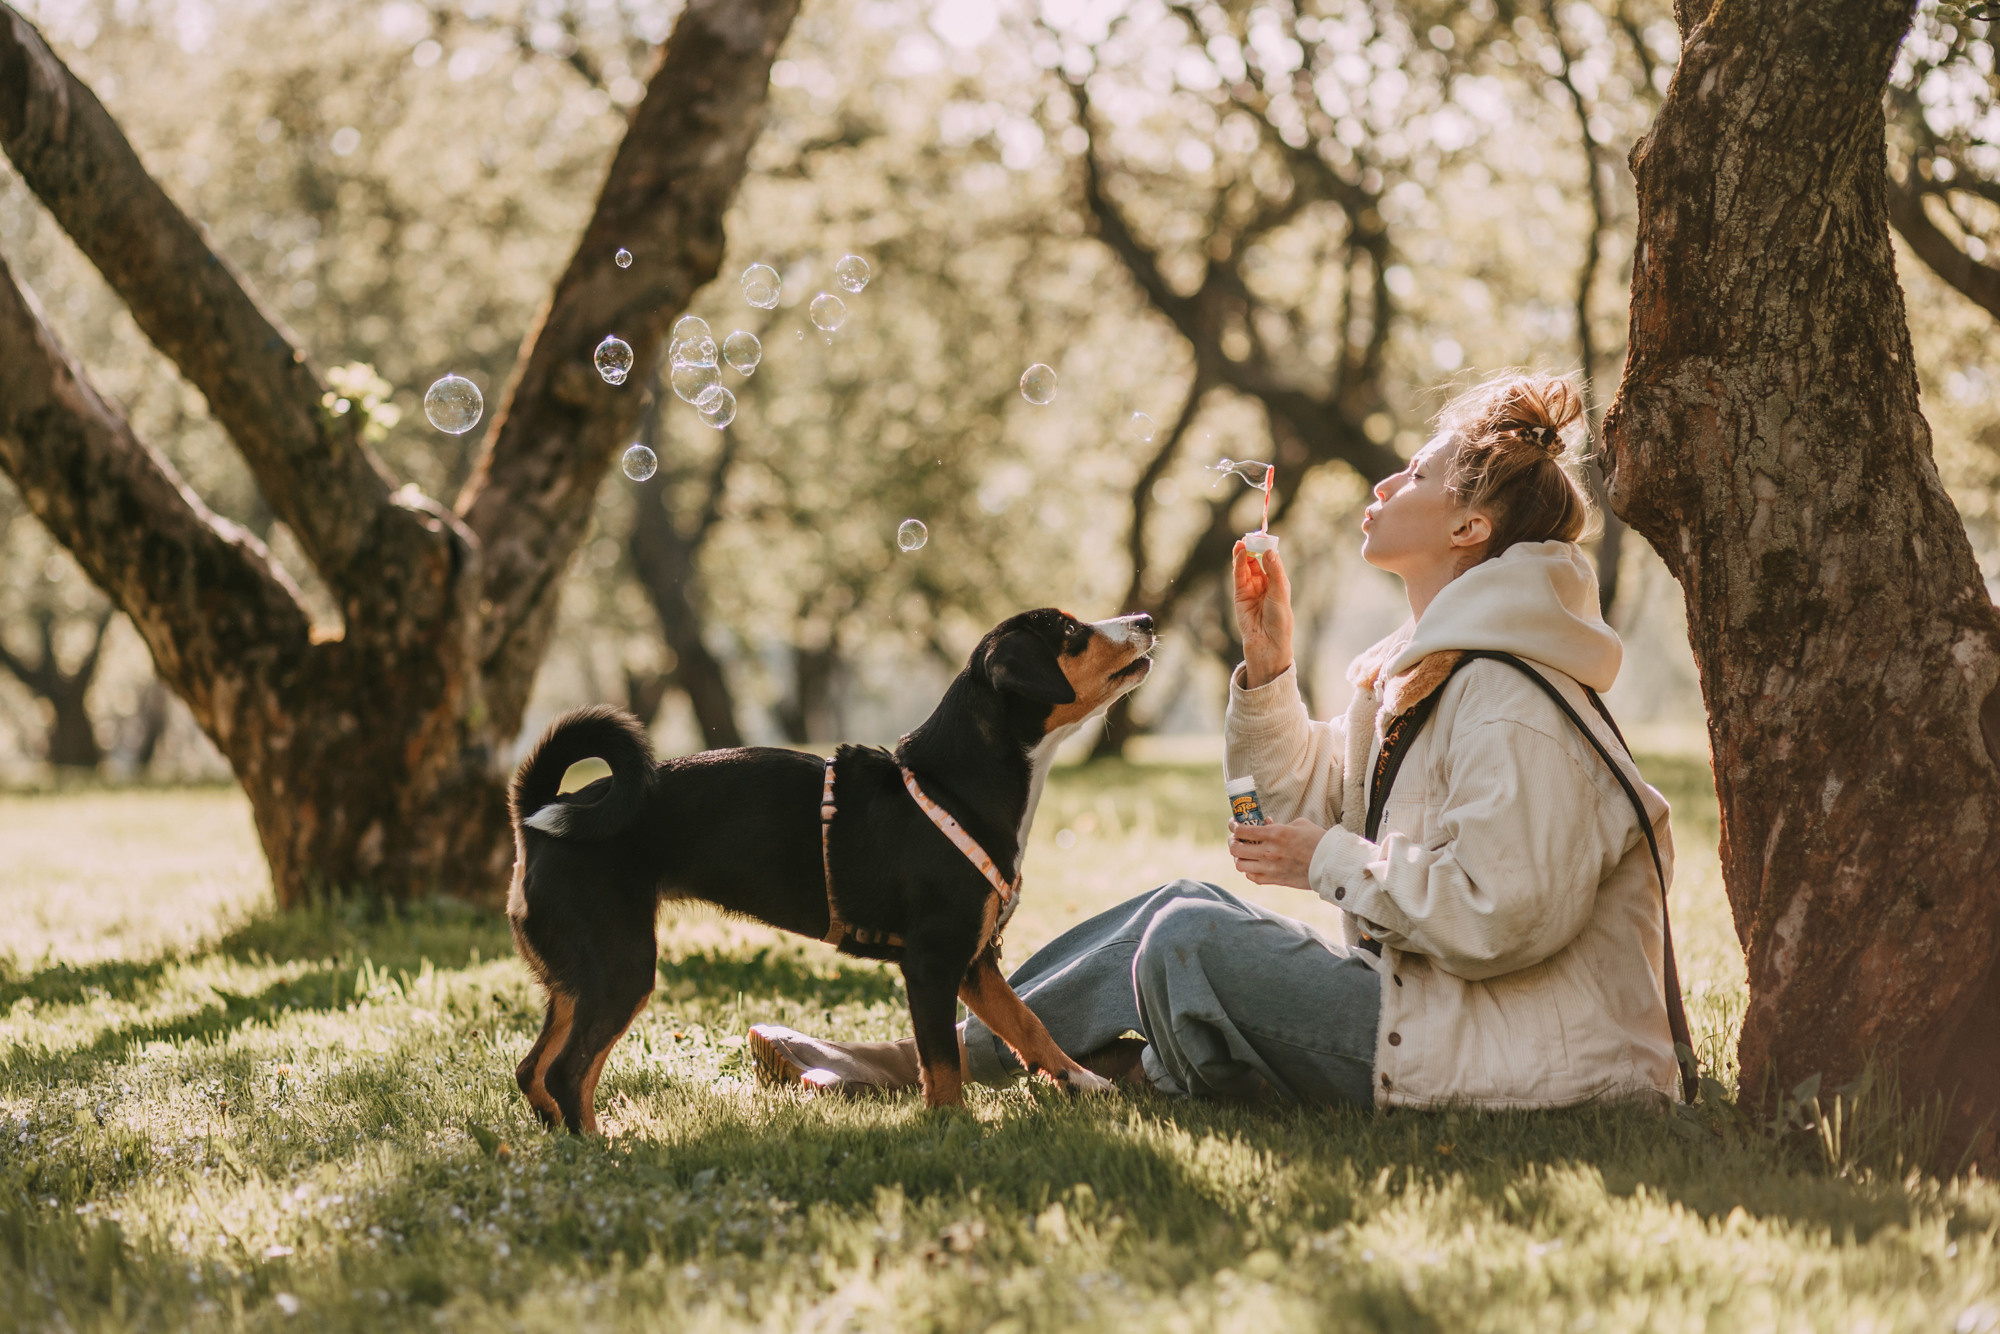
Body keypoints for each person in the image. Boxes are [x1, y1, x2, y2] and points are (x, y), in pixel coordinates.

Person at [748, 373, 1684, 1110]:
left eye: (1420, 476)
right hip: (1436, 1017)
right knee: (1175, 902)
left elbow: (1499, 917)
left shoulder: (1512, 697)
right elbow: (1302, 802)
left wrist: (1330, 859)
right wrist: (1270, 666)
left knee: (1188, 939)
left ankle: (1137, 1064)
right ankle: (944, 1058)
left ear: (1469, 528)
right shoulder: (1425, 666)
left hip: (1526, 1062)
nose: (1386, 482)